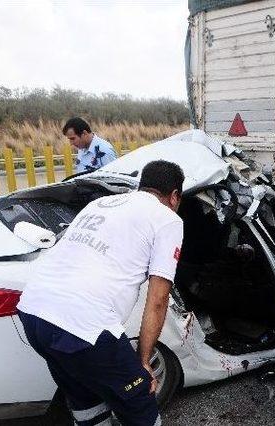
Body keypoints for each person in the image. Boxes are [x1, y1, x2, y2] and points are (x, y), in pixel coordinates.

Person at [17, 160, 184, 426]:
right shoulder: (168, 219)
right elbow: (158, 299)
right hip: (83, 326)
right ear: (174, 196)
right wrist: (143, 361)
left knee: (85, 399)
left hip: (33, 313)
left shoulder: (99, 204)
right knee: (141, 403)